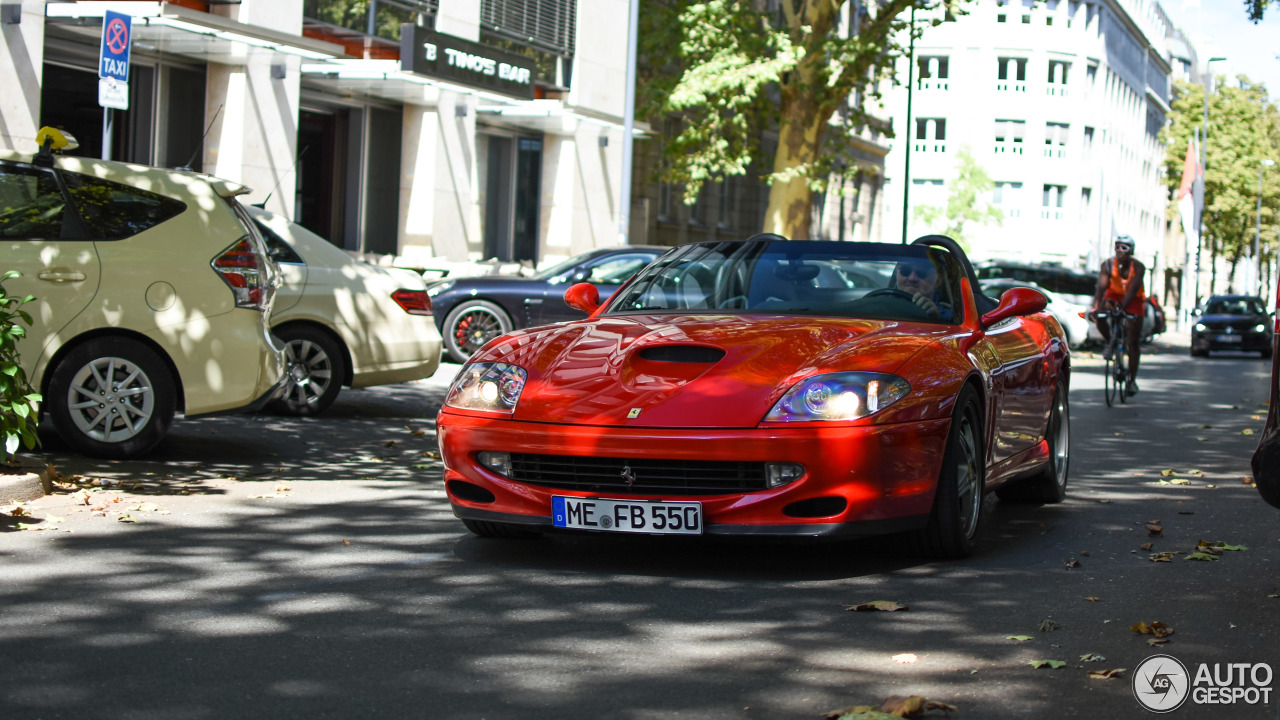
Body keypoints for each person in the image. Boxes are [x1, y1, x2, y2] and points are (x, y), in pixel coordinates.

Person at [1089, 234, 1145, 395]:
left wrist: (1122, 307)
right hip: (1113, 296)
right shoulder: (1107, 265)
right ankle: (1110, 342)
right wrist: (1095, 307)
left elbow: (1133, 289)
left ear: (1131, 250)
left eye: (1124, 247)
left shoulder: (1139, 267)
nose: (1120, 250)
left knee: (1133, 341)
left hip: (1134, 300)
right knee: (1100, 314)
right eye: (1117, 246)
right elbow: (1100, 288)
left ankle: (1132, 381)